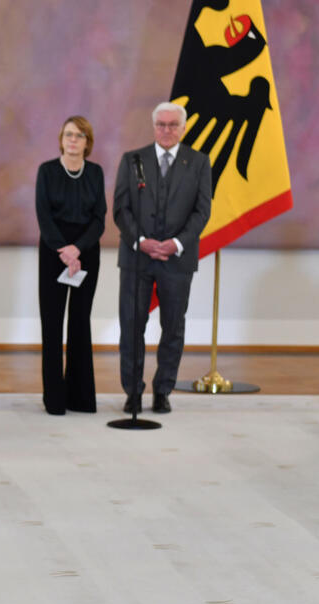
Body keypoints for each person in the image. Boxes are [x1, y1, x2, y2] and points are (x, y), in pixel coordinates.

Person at [113, 101, 212, 414]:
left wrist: (177, 243)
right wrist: (141, 242)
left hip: (177, 260)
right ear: (153, 126)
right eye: (161, 124)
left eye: (173, 125)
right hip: (136, 258)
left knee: (173, 328)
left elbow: (202, 211)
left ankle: (162, 391)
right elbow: (121, 209)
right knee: (132, 327)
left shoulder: (199, 162)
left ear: (183, 128)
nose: (167, 130)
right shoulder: (132, 160)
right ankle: (133, 392)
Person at [34, 116, 106, 414]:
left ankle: (80, 398)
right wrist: (64, 250)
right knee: (52, 324)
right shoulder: (47, 171)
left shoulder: (95, 173)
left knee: (80, 322)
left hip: (86, 251)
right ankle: (55, 400)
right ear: (61, 140)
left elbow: (99, 218)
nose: (73, 140)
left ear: (87, 142)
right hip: (54, 252)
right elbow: (43, 214)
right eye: (68, 135)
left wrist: (78, 249)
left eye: (79, 135)